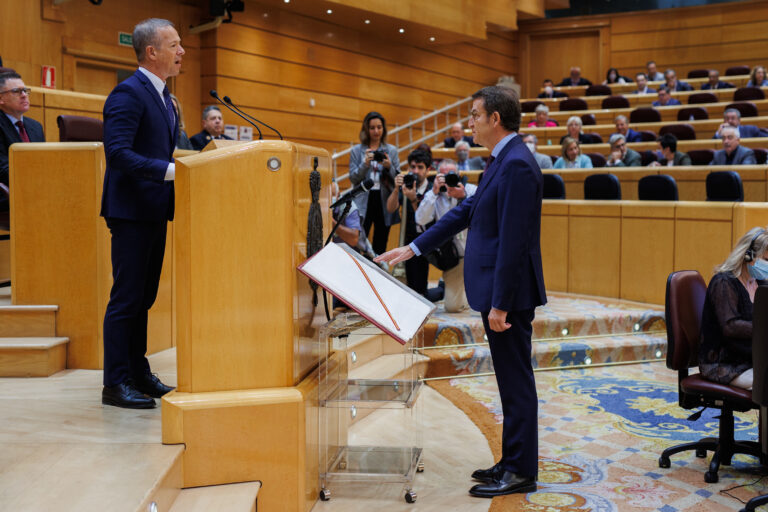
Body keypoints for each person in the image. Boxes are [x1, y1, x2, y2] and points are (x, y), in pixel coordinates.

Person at [376, 86, 546, 498]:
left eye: (474, 115)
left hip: (509, 295)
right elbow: (466, 211)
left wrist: (501, 303)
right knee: (508, 381)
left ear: (495, 120)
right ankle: (512, 460)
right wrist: (413, 246)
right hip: (496, 290)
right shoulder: (502, 159)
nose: (469, 122)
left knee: (517, 381)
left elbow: (514, 240)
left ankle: (522, 471)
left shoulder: (518, 165)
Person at [100, 18, 183, 409]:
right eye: (174, 45)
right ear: (152, 52)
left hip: (153, 210)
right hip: (131, 212)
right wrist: (169, 171)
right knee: (127, 298)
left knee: (144, 297)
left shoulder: (166, 97)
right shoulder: (128, 93)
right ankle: (115, 382)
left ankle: (137, 372)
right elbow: (117, 154)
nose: (181, 52)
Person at [699, 227, 768, 390]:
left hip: (751, 358)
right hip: (724, 363)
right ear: (747, 255)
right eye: (766, 260)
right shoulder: (723, 283)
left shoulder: (760, 283)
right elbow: (731, 327)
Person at [415, 159, 477, 313]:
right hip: (453, 257)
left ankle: (465, 290)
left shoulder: (471, 190)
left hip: (476, 253)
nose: (448, 179)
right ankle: (449, 287)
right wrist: (434, 192)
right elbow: (420, 219)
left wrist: (463, 196)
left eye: (452, 175)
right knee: (452, 307)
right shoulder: (434, 194)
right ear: (437, 177)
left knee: (483, 301)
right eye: (443, 175)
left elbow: (485, 216)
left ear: (459, 174)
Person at [349, 111, 399, 256]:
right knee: (358, 241)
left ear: (383, 129)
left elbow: (397, 177)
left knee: (381, 242)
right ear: (366, 129)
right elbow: (353, 178)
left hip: (384, 199)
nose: (376, 131)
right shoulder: (357, 151)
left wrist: (389, 166)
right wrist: (365, 163)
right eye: (372, 128)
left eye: (379, 127)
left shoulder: (391, 150)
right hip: (363, 199)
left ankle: (377, 273)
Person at [385, 149, 432, 296]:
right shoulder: (407, 185)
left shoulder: (432, 190)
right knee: (410, 290)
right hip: (409, 239)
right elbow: (390, 208)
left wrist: (413, 200)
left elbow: (424, 219)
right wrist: (396, 189)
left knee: (420, 291)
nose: (416, 171)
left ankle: (440, 291)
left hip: (429, 241)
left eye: (420, 167)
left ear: (428, 170)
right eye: (412, 167)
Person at [0, 71, 45, 194]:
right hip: (8, 192)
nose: (24, 95)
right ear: (1, 99)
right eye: (16, 91)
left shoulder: (36, 127)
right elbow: (2, 169)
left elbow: (44, 161)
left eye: (25, 90)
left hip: (35, 188)